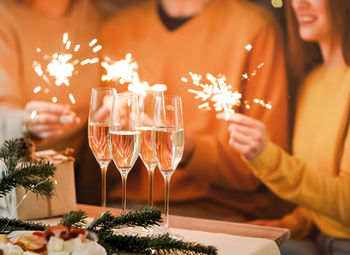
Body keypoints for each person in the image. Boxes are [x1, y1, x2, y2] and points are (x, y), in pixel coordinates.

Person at [100, 0, 294, 220]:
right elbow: (101, 168)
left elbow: (265, 165)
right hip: (126, 205)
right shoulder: (116, 28)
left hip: (216, 212)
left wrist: (186, 148)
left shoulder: (254, 28)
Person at [219, 0, 350, 253]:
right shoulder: (310, 84)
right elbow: (323, 191)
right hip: (320, 240)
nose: (298, 5)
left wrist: (267, 158)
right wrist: (291, 223)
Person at [0, 0, 101, 156]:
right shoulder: (5, 17)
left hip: (88, 164)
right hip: (24, 166)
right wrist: (26, 122)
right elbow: (3, 115)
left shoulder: (98, 15)